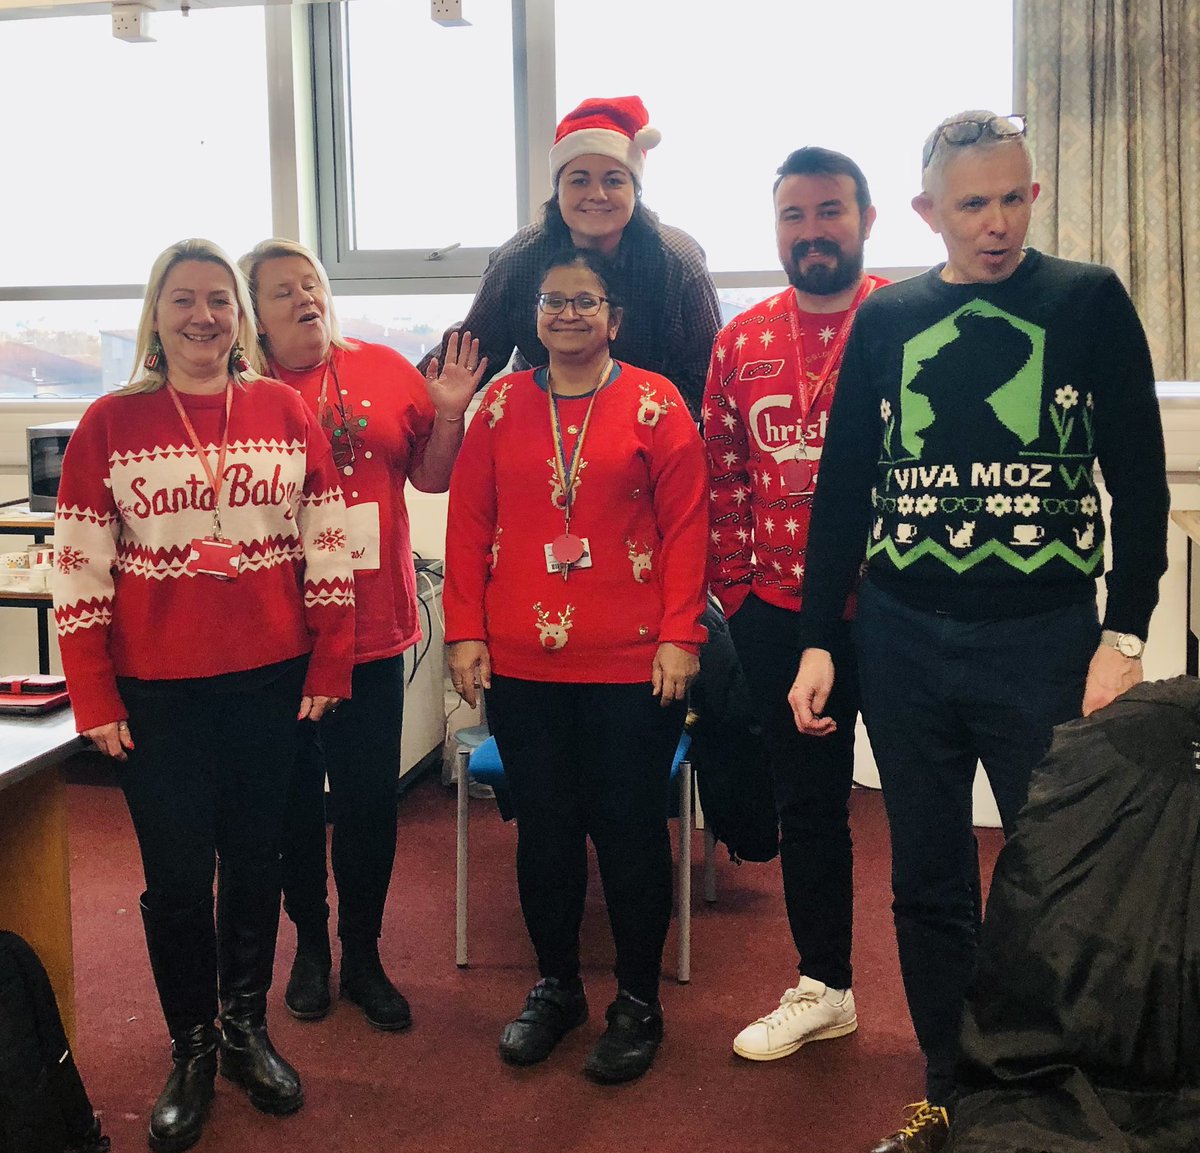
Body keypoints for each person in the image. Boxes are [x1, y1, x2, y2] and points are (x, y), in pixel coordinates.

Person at [788, 112, 1170, 1153]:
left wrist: (1124, 633)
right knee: (927, 879)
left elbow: (1137, 478)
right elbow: (845, 491)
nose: (997, 223)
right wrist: (823, 636)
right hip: (905, 639)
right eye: (973, 205)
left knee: (1055, 880)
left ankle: (1055, 1093)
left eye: (1014, 198)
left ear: (1033, 196)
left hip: (1043, 637)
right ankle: (951, 1089)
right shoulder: (888, 320)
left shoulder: (1085, 301)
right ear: (928, 213)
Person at [53, 238, 355, 1153]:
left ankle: (245, 1029)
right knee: (179, 880)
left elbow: (329, 538)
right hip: (158, 693)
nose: (203, 317)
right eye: (183, 300)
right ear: (156, 315)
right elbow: (78, 571)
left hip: (270, 683)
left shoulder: (284, 411)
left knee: (256, 862)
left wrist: (331, 662)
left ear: (241, 317)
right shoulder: (109, 423)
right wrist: (93, 694)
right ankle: (191, 1044)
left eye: (219, 301)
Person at [443, 249, 708, 1084]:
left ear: (613, 318)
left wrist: (681, 634)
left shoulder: (655, 402)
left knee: (629, 834)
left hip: (635, 661)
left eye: (585, 301)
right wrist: (462, 630)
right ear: (534, 315)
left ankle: (637, 1000)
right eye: (553, 300)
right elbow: (467, 521)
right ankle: (557, 985)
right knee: (546, 835)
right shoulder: (495, 409)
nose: (567, 314)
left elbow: (688, 525)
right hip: (522, 661)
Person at [238, 239, 484, 1032]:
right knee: (290, 803)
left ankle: (364, 950)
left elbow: (432, 477)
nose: (305, 297)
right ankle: (310, 941)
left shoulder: (380, 368)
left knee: (370, 802)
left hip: (375, 630)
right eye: (282, 292)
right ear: (255, 318)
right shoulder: (241, 393)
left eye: (311, 283)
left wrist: (447, 412)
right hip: (279, 639)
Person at [703, 147, 887, 1063]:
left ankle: (972, 993)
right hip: (775, 611)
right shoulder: (741, 339)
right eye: (794, 215)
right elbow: (722, 475)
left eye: (830, 211)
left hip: (896, 612)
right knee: (810, 808)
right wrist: (738, 599)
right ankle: (827, 985)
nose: (812, 231)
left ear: (866, 218)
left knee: (925, 809)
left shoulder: (905, 321)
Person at [419, 94, 720, 419]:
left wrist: (646, 430)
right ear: (557, 190)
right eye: (579, 180)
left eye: (614, 180)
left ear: (636, 190)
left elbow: (709, 380)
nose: (597, 194)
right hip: (542, 422)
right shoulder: (519, 259)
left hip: (650, 426)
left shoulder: (678, 261)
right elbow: (469, 354)